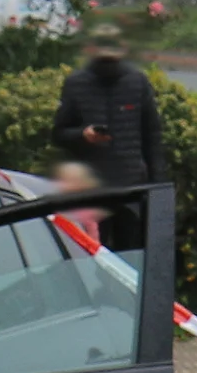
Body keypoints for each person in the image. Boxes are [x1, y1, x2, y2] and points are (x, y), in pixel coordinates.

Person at [53, 20, 166, 250]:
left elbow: (152, 136)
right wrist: (82, 136)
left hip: (130, 188)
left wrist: (157, 187)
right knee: (92, 257)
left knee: (131, 256)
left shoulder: (137, 82)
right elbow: (58, 134)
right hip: (91, 191)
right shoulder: (76, 84)